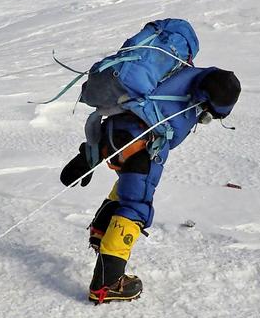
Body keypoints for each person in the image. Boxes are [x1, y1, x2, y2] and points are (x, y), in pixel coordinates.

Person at [60, 67, 241, 303]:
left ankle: (102, 232)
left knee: (127, 189)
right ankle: (107, 282)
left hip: (114, 131)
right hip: (142, 147)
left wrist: (94, 148)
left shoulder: (175, 74)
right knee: (136, 206)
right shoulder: (193, 100)